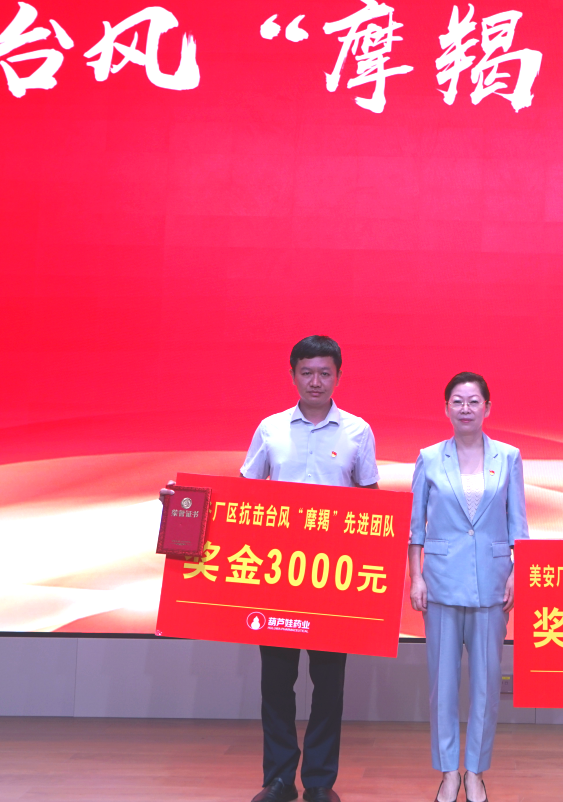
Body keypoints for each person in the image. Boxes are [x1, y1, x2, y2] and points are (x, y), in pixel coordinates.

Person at [240, 335, 379, 802]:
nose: (315, 381)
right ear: (293, 375)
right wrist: (184, 506)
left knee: (329, 683)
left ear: (338, 377)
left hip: (332, 577)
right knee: (276, 682)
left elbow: (370, 504)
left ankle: (319, 781)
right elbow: (244, 494)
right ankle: (279, 778)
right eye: (306, 372)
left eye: (324, 373)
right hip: (278, 574)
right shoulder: (271, 428)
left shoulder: (358, 430)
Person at [408, 371, 528, 802]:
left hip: (492, 584)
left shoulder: (509, 457)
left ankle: (475, 771)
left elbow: (518, 524)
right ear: (446, 408)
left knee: (486, 685)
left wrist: (516, 572)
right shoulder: (428, 457)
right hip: (440, 583)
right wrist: (416, 576)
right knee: (442, 686)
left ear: (487, 408)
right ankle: (447, 773)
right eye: (457, 401)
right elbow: (415, 528)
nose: (465, 408)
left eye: (473, 401)